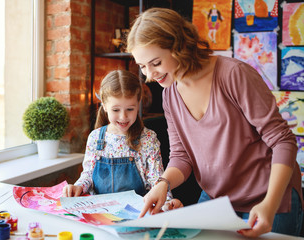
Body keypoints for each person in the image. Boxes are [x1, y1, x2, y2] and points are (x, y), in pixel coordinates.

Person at [126, 7, 303, 238]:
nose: (149, 75)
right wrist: (163, 183)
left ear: (178, 46)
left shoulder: (234, 74)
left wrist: (270, 203)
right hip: (218, 201)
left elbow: (283, 141)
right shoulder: (170, 94)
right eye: (142, 66)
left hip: (270, 197)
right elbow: (182, 155)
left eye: (156, 62)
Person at [62, 70, 182, 210]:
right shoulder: (95, 138)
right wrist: (78, 186)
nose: (123, 116)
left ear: (138, 104)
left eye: (130, 109)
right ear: (105, 106)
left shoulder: (148, 138)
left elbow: (157, 180)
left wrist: (167, 202)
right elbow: (88, 174)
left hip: (137, 213)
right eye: (116, 110)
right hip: (100, 213)